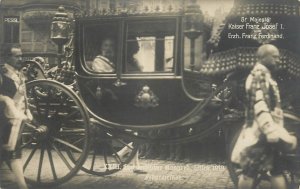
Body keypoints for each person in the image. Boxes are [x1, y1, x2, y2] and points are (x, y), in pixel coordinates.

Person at [231, 44, 297, 189]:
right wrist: (270, 130)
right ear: (262, 57)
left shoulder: (265, 76)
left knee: (276, 170)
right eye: (274, 57)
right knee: (250, 172)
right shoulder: (258, 76)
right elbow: (260, 105)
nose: (278, 60)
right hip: (261, 133)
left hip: (269, 131)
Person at [0, 44, 31, 189]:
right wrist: (6, 99)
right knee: (10, 152)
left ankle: (21, 185)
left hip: (13, 121)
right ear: (7, 57)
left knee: (13, 152)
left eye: (21, 56)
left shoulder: (19, 74)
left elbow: (23, 95)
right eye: (16, 56)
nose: (20, 59)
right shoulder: (1, 73)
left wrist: (28, 111)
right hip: (3, 118)